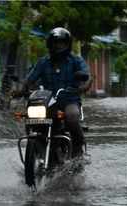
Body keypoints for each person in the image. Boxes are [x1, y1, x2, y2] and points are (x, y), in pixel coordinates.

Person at [17, 27, 91, 157]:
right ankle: (35, 146)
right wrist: (21, 90)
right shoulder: (43, 62)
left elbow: (87, 77)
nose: (58, 46)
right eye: (55, 42)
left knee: (72, 117)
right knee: (31, 117)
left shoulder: (76, 60)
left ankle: (78, 148)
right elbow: (30, 79)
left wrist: (82, 87)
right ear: (49, 44)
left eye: (62, 42)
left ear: (68, 44)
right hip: (48, 101)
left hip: (69, 100)